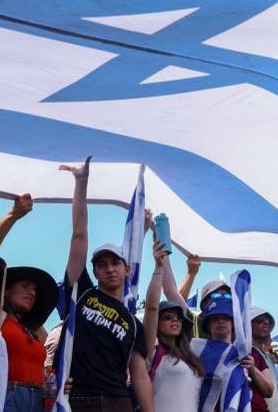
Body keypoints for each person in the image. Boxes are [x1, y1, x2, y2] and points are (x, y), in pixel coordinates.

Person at [58, 157, 154, 412]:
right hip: (78, 400)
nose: (110, 268)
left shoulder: (134, 324)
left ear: (127, 270)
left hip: (118, 402)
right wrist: (81, 182)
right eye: (102, 264)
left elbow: (140, 375)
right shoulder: (82, 293)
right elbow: (79, 234)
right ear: (95, 271)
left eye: (115, 263)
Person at [0, 178, 58, 412]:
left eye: (35, 290)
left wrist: (55, 388)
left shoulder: (34, 331)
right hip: (1, 400)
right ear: (4, 289)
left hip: (37, 403)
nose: (32, 292)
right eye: (25, 285)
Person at [144, 242, 204, 412]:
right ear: (156, 322)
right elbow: (152, 308)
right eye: (167, 317)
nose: (175, 320)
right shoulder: (153, 352)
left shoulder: (191, 354)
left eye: (178, 318)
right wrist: (159, 266)